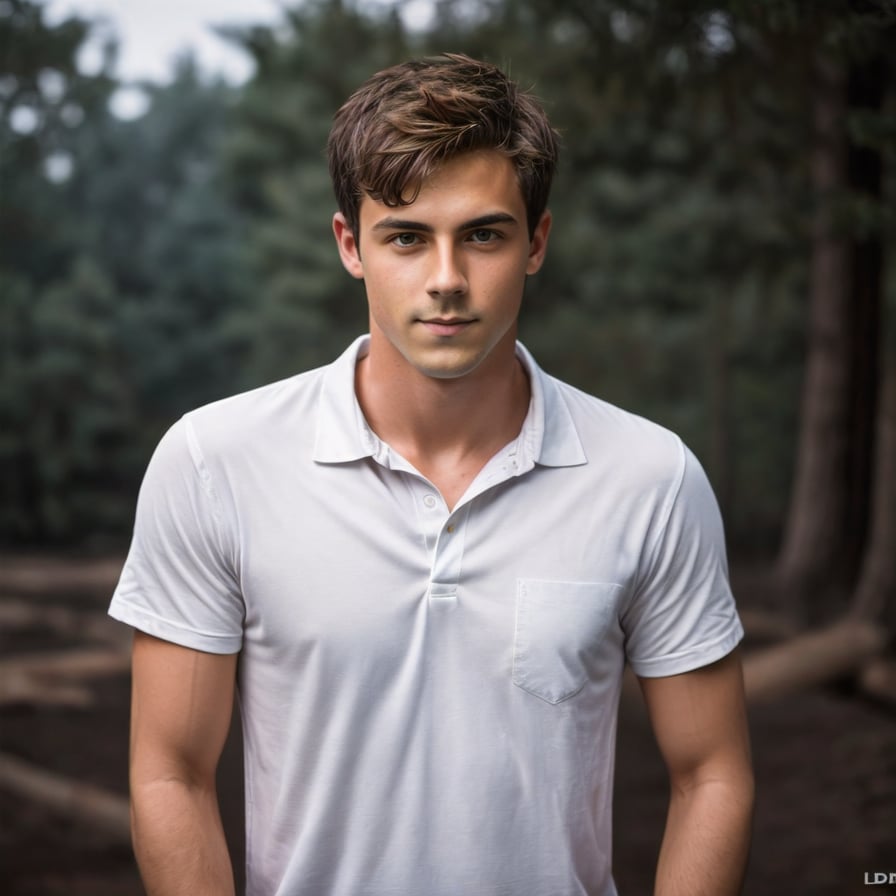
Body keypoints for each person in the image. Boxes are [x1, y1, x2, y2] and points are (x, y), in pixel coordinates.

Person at [110, 53, 754, 896]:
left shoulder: (651, 477)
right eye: (407, 237)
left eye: (483, 234)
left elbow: (712, 775)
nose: (446, 281)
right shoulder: (212, 463)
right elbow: (169, 775)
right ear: (351, 245)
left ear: (537, 243)